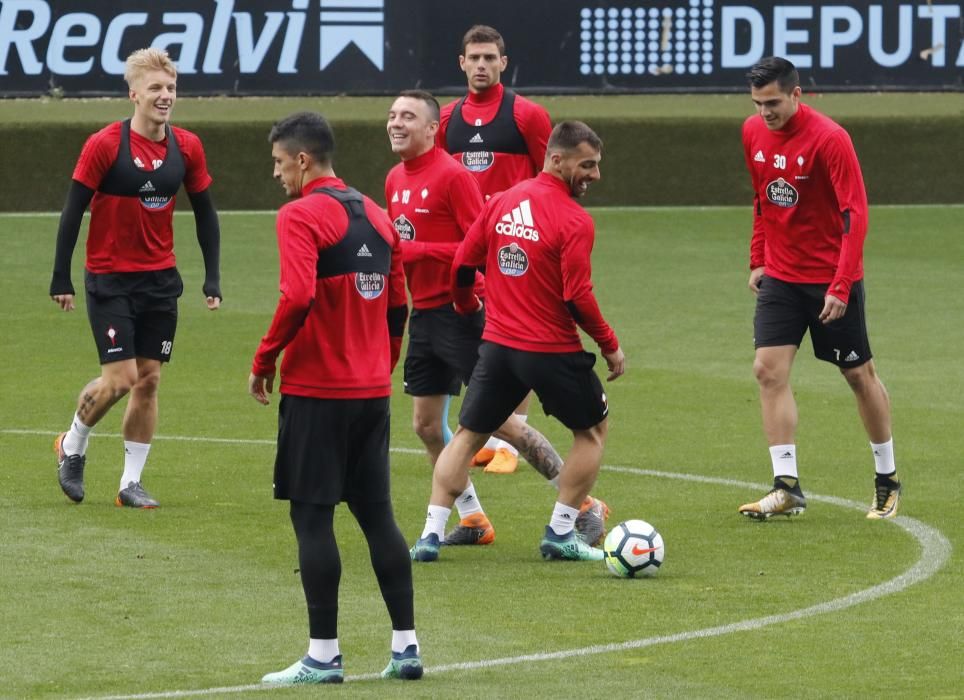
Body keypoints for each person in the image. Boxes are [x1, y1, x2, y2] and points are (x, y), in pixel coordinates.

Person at [385, 90, 609, 548]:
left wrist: (466, 299)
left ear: (433, 128)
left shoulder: (454, 177)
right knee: (429, 427)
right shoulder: (393, 180)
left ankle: (581, 504)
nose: (396, 123)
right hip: (426, 315)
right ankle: (472, 520)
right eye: (392, 115)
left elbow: (475, 248)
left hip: (468, 317)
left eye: (408, 116)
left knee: (497, 424)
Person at [250, 111, 421, 684]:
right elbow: (399, 304)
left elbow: (297, 296)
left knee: (312, 517)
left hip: (318, 391)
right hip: (370, 392)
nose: (276, 174)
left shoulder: (299, 215)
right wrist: (382, 361)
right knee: (378, 517)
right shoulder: (376, 213)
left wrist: (264, 357)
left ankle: (323, 657)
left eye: (278, 162)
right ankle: (406, 649)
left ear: (302, 160)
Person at [49, 48, 221, 509]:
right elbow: (72, 212)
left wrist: (213, 277)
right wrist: (59, 276)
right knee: (121, 378)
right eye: (156, 89)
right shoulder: (105, 145)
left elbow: (205, 212)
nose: (165, 97)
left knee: (148, 381)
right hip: (109, 280)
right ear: (134, 94)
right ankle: (73, 443)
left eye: (171, 89)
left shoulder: (187, 147)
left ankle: (130, 483)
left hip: (160, 281)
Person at [738, 57, 901, 521]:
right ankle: (786, 486)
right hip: (782, 279)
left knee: (858, 375)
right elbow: (762, 197)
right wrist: (758, 257)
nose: (765, 112)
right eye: (757, 103)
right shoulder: (752, 133)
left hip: (831, 279)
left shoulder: (830, 139)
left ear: (796, 94)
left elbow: (856, 215)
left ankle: (887, 480)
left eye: (773, 103)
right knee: (767, 372)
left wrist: (842, 283)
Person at [437, 24, 554, 474]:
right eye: (475, 58)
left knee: (515, 333)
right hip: (468, 242)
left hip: (517, 241)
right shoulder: (447, 120)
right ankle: (493, 432)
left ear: (503, 63)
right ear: (462, 63)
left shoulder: (527, 116)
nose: (482, 65)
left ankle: (510, 442)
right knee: (477, 335)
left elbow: (552, 176)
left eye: (490, 58)